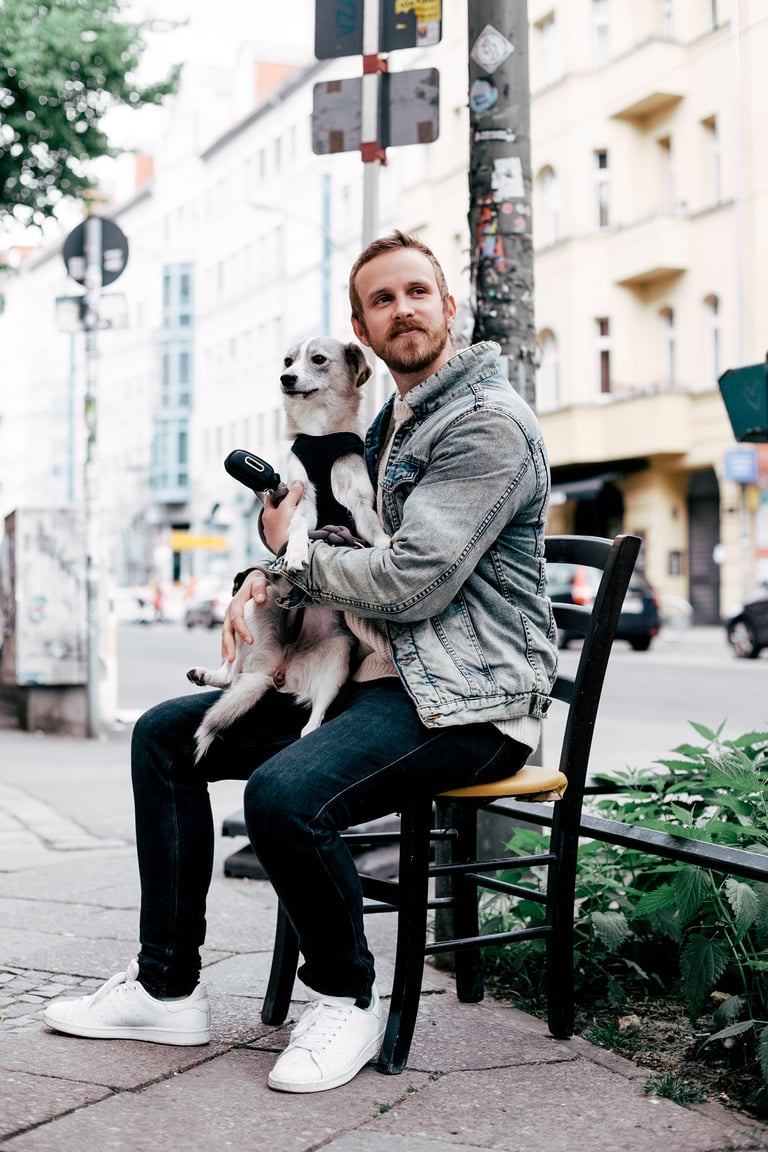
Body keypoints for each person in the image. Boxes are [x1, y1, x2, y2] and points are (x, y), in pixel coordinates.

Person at [43, 231, 558, 1094]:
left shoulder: (487, 426)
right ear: (361, 325)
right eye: (381, 300)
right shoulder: (391, 421)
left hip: (469, 701)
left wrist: (290, 559)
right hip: (372, 676)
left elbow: (411, 581)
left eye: (416, 293)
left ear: (448, 307)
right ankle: (166, 987)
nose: (402, 310)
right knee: (167, 739)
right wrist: (263, 572)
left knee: (286, 792)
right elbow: (329, 541)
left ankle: (346, 998)